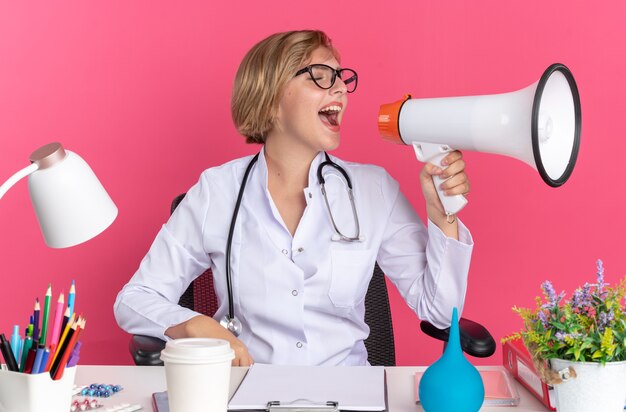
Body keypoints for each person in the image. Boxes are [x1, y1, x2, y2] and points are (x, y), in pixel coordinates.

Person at [114, 30, 473, 367]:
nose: (341, 91)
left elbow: (441, 313)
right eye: (320, 75)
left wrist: (443, 216)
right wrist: (193, 325)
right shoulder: (217, 191)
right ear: (270, 99)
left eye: (341, 78)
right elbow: (134, 300)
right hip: (248, 392)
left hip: (348, 395)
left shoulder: (373, 189)